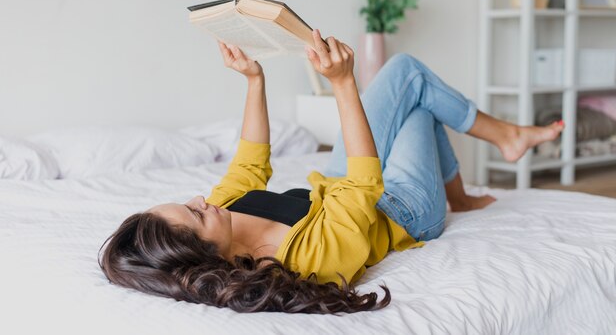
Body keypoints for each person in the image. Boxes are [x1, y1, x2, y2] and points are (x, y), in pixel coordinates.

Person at [98, 29, 564, 314]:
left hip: (338, 182)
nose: (201, 201)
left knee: (407, 75)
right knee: (417, 104)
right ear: (207, 257)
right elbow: (364, 185)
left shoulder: (223, 214)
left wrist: (254, 80)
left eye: (188, 203)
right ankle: (493, 153)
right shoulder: (303, 263)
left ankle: (491, 156)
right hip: (402, 207)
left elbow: (250, 161)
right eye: (195, 215)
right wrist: (343, 83)